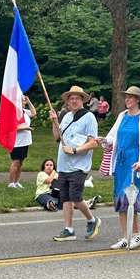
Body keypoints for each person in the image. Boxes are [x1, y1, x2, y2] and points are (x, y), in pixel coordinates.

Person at [96, 86, 140, 249]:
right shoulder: (122, 116)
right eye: (126, 97)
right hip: (122, 162)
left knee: (130, 197)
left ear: (138, 100)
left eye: (130, 97)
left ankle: (136, 234)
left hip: (136, 162)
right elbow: (113, 135)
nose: (127, 99)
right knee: (121, 197)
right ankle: (126, 235)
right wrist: (104, 140)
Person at [49, 85, 101, 241]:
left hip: (79, 165)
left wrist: (75, 150)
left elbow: (93, 143)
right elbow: (56, 137)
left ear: (83, 100)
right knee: (65, 198)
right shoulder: (66, 117)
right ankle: (69, 229)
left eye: (77, 98)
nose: (73, 101)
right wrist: (54, 122)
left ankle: (92, 220)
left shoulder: (89, 118)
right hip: (64, 165)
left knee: (76, 196)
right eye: (71, 99)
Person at [9, 95, 36, 189]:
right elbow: (12, 128)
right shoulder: (14, 113)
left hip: (25, 141)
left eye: (24, 101)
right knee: (15, 162)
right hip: (17, 142)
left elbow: (33, 113)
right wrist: (26, 128)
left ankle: (17, 181)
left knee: (21, 162)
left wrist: (29, 102)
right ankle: (11, 183)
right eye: (23, 101)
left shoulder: (24, 112)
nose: (24, 102)